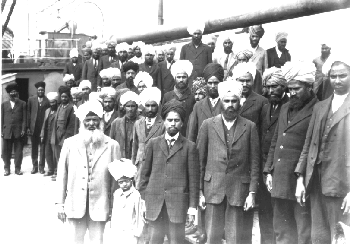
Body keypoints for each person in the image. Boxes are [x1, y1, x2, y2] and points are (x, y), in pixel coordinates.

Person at [295, 55, 350, 244]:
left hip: (342, 186)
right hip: (316, 182)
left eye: (342, 76)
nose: (337, 80)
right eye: (333, 76)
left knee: (341, 236)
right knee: (319, 237)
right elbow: (308, 144)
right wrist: (300, 179)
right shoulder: (320, 107)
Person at [196, 80, 260, 244]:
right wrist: (200, 192)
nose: (230, 105)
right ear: (221, 102)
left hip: (238, 190)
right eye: (227, 101)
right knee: (212, 237)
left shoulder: (250, 126)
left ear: (240, 103)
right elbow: (199, 162)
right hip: (213, 189)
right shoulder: (208, 125)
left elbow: (254, 163)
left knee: (235, 238)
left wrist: (252, 193)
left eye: (234, 101)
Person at [263, 61, 318, 244]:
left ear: (309, 87)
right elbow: (275, 141)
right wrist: (269, 170)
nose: (292, 93)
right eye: (290, 89)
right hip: (279, 178)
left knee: (303, 232)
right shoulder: (286, 107)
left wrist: (300, 177)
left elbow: (311, 147)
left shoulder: (318, 109)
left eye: (297, 89)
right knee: (281, 230)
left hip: (300, 182)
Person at [55, 100, 121, 244]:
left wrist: (114, 206)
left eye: (95, 120)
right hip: (75, 204)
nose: (92, 124)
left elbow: (117, 181)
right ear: (81, 122)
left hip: (100, 204)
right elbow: (62, 176)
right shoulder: (69, 144)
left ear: (101, 121)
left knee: (97, 241)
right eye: (88, 120)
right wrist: (60, 204)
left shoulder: (112, 146)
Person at [139, 100, 200, 244]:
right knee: (154, 240)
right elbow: (144, 176)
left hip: (178, 204)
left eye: (176, 120)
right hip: (154, 204)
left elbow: (193, 181)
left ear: (182, 123)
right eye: (169, 120)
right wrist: (143, 201)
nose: (173, 123)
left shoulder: (189, 147)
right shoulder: (153, 144)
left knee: (176, 241)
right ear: (164, 122)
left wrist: (192, 208)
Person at [259, 67, 289, 244]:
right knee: (264, 213)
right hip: (264, 169)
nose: (271, 91)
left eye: (275, 86)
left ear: (283, 87)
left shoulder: (288, 108)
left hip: (279, 170)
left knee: (280, 216)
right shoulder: (265, 107)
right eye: (268, 87)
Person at [132, 87, 165, 189]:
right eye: (147, 106)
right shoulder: (138, 123)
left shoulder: (163, 124)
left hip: (156, 165)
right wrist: (133, 165)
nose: (150, 109)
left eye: (153, 106)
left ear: (158, 106)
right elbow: (135, 146)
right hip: (140, 165)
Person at [108, 159, 145, 244]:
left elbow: (139, 214)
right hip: (118, 230)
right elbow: (114, 212)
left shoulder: (136, 195)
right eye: (121, 182)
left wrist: (137, 231)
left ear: (131, 181)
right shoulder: (117, 194)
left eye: (126, 181)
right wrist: (113, 228)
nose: (124, 184)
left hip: (130, 230)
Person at [188, 63, 224, 142]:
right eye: (210, 83)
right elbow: (192, 134)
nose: (213, 86)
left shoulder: (227, 104)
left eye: (216, 83)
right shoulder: (198, 106)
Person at [162, 60, 196, 137]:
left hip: (187, 135)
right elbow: (162, 118)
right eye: (178, 77)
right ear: (175, 78)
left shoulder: (192, 97)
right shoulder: (167, 96)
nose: (181, 80)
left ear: (188, 78)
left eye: (184, 77)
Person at [51, 86, 76, 181]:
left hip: (65, 136)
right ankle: (58, 173)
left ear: (68, 97)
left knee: (65, 156)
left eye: (65, 97)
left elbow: (71, 125)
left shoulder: (71, 108)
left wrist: (65, 137)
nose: (64, 99)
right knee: (58, 156)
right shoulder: (59, 107)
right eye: (62, 97)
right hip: (57, 134)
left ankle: (65, 176)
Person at [2, 83, 26, 176]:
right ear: (9, 94)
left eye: (15, 92)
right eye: (11, 92)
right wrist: (1, 131)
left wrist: (23, 129)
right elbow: (2, 118)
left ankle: (17, 169)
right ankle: (7, 169)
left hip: (18, 131)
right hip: (7, 131)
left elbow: (24, 118)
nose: (13, 93)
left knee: (18, 151)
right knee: (6, 152)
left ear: (17, 93)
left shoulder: (22, 103)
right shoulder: (4, 104)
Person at [27, 81, 50, 174]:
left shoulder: (47, 101)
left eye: (42, 90)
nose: (40, 91)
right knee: (34, 147)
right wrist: (28, 127)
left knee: (43, 148)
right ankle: (35, 166)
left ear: (44, 91)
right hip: (34, 128)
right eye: (39, 90)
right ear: (37, 90)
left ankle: (41, 167)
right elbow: (28, 113)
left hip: (43, 129)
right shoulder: (31, 100)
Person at [110, 91, 141, 159]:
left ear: (136, 107)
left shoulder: (142, 122)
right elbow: (111, 143)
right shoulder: (116, 123)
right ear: (124, 107)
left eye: (133, 106)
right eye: (128, 106)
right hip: (120, 159)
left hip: (136, 159)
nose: (130, 109)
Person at [40, 92, 59, 176]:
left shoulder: (59, 110)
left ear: (56, 102)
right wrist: (42, 134)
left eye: (53, 102)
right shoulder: (47, 111)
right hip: (47, 134)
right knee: (47, 152)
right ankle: (50, 169)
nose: (52, 104)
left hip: (55, 134)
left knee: (55, 153)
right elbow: (44, 123)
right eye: (50, 103)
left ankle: (56, 170)